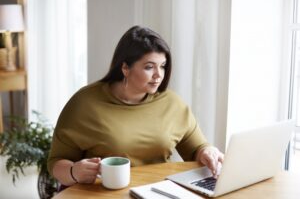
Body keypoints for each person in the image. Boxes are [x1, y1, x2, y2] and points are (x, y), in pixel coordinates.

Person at [47, 25, 224, 186]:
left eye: (162, 66)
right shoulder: (84, 104)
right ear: (125, 68)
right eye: (149, 67)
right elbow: (56, 162)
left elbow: (197, 149)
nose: (158, 75)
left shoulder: (172, 103)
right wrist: (73, 171)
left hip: (161, 192)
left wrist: (208, 152)